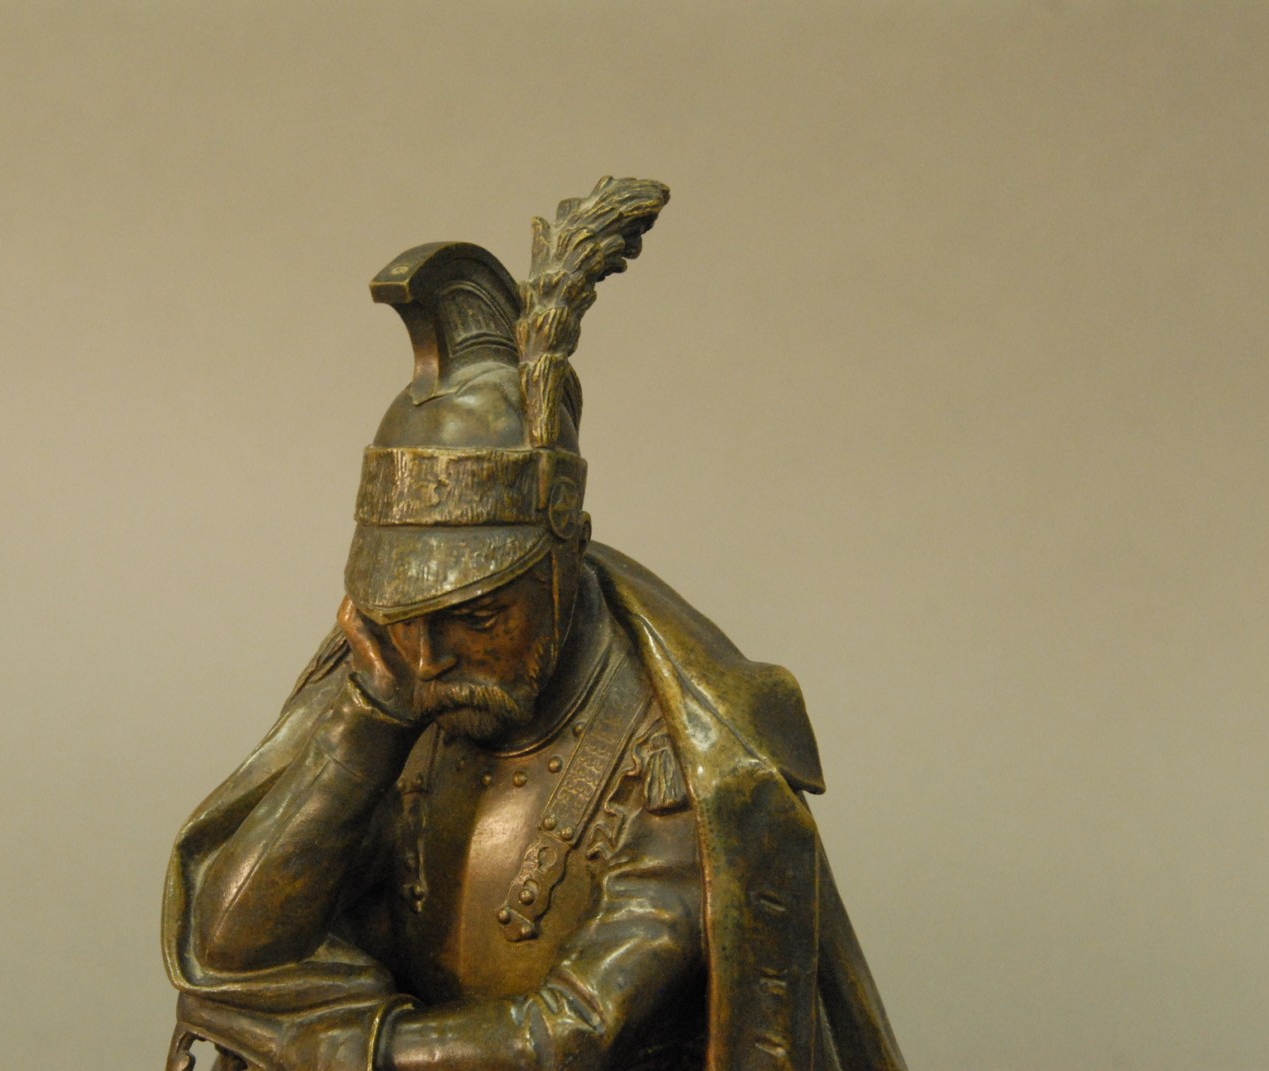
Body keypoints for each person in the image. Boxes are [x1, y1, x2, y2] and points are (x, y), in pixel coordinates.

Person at [162, 181, 906, 1071]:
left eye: (478, 613)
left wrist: (346, 1049)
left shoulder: (680, 756)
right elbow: (230, 950)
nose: (431, 657)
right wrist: (365, 726)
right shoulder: (397, 671)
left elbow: (573, 1030)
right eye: (408, 616)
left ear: (564, 554)